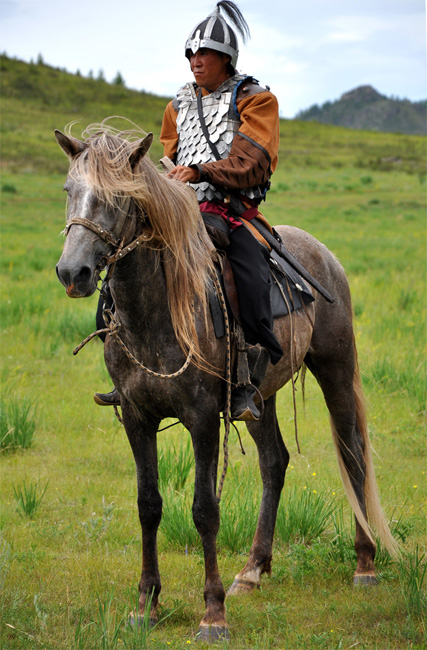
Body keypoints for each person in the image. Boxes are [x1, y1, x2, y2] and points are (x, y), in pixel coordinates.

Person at [95, 0, 283, 420]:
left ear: (227, 59)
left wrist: (199, 170)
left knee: (247, 278)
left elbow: (251, 162)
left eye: (206, 54)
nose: (196, 62)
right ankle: (125, 373)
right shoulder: (177, 106)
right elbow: (170, 158)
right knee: (121, 268)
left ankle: (245, 379)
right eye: (192, 54)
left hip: (232, 211)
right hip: (182, 210)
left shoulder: (256, 100)